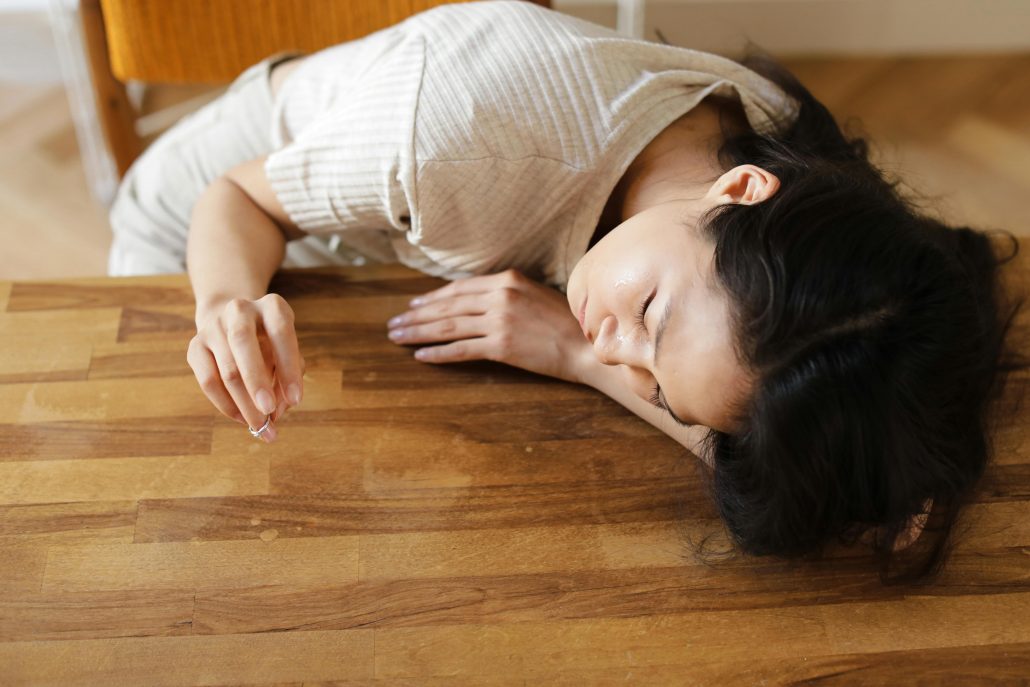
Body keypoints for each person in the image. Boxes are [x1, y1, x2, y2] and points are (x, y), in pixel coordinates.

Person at [107, 0, 1026, 583]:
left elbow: (739, 408)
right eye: (650, 317)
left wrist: (575, 354)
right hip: (213, 212)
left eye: (655, 385)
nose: (621, 350)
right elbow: (233, 194)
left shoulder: (792, 183)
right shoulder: (455, 143)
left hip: (393, 234)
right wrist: (226, 304)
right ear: (739, 195)